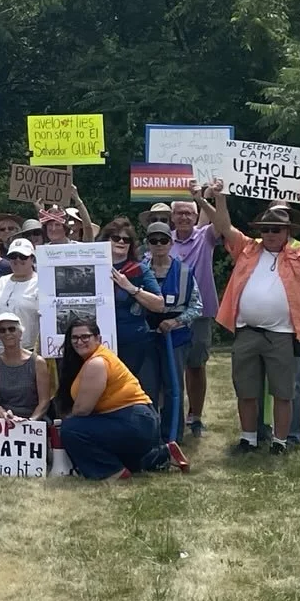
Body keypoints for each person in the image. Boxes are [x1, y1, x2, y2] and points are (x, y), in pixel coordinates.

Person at [211, 184, 300, 456]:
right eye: (265, 229)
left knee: (283, 392)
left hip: (283, 334)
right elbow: (224, 226)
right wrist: (219, 197)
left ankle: (280, 442)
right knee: (246, 389)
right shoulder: (247, 249)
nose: (270, 234)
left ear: (288, 232)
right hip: (247, 331)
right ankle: (248, 438)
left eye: (276, 229)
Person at [57, 316, 186, 478]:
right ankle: (164, 455)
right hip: (141, 421)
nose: (79, 341)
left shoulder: (96, 363)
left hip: (133, 422)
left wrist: (66, 420)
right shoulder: (93, 359)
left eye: (85, 337)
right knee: (121, 456)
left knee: (71, 429)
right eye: (74, 337)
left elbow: (83, 409)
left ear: (98, 338)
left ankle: (112, 473)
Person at [139, 220, 202, 441]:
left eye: (163, 240)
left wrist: (175, 322)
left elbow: (197, 307)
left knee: (173, 388)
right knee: (146, 387)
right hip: (146, 337)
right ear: (147, 243)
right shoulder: (139, 270)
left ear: (171, 242)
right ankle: (149, 434)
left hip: (174, 338)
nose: (158, 245)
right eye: (153, 240)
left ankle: (173, 436)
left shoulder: (184, 272)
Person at [168, 187, 221, 438]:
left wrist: (202, 198)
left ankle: (196, 416)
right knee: (172, 366)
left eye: (189, 213)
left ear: (196, 214)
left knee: (196, 365)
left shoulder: (206, 237)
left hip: (200, 314)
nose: (184, 217)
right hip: (170, 315)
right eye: (179, 213)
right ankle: (173, 416)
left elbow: (222, 222)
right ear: (172, 216)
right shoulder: (163, 240)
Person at [103, 218, 164, 399]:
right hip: (100, 343)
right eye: (116, 237)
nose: (121, 242)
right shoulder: (93, 266)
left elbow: (159, 304)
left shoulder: (140, 270)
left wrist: (131, 288)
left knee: (132, 392)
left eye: (126, 239)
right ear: (107, 240)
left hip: (133, 342)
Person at [0, 312, 52, 420]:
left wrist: (30, 421)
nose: (7, 333)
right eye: (2, 330)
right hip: (5, 415)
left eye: (12, 329)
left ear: (20, 332)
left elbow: (44, 401)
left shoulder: (37, 362)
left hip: (31, 416)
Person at [0, 238, 41, 354]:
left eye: (23, 257)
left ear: (32, 258)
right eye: (13, 256)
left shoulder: (41, 283)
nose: (17, 260)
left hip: (28, 350)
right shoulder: (2, 281)